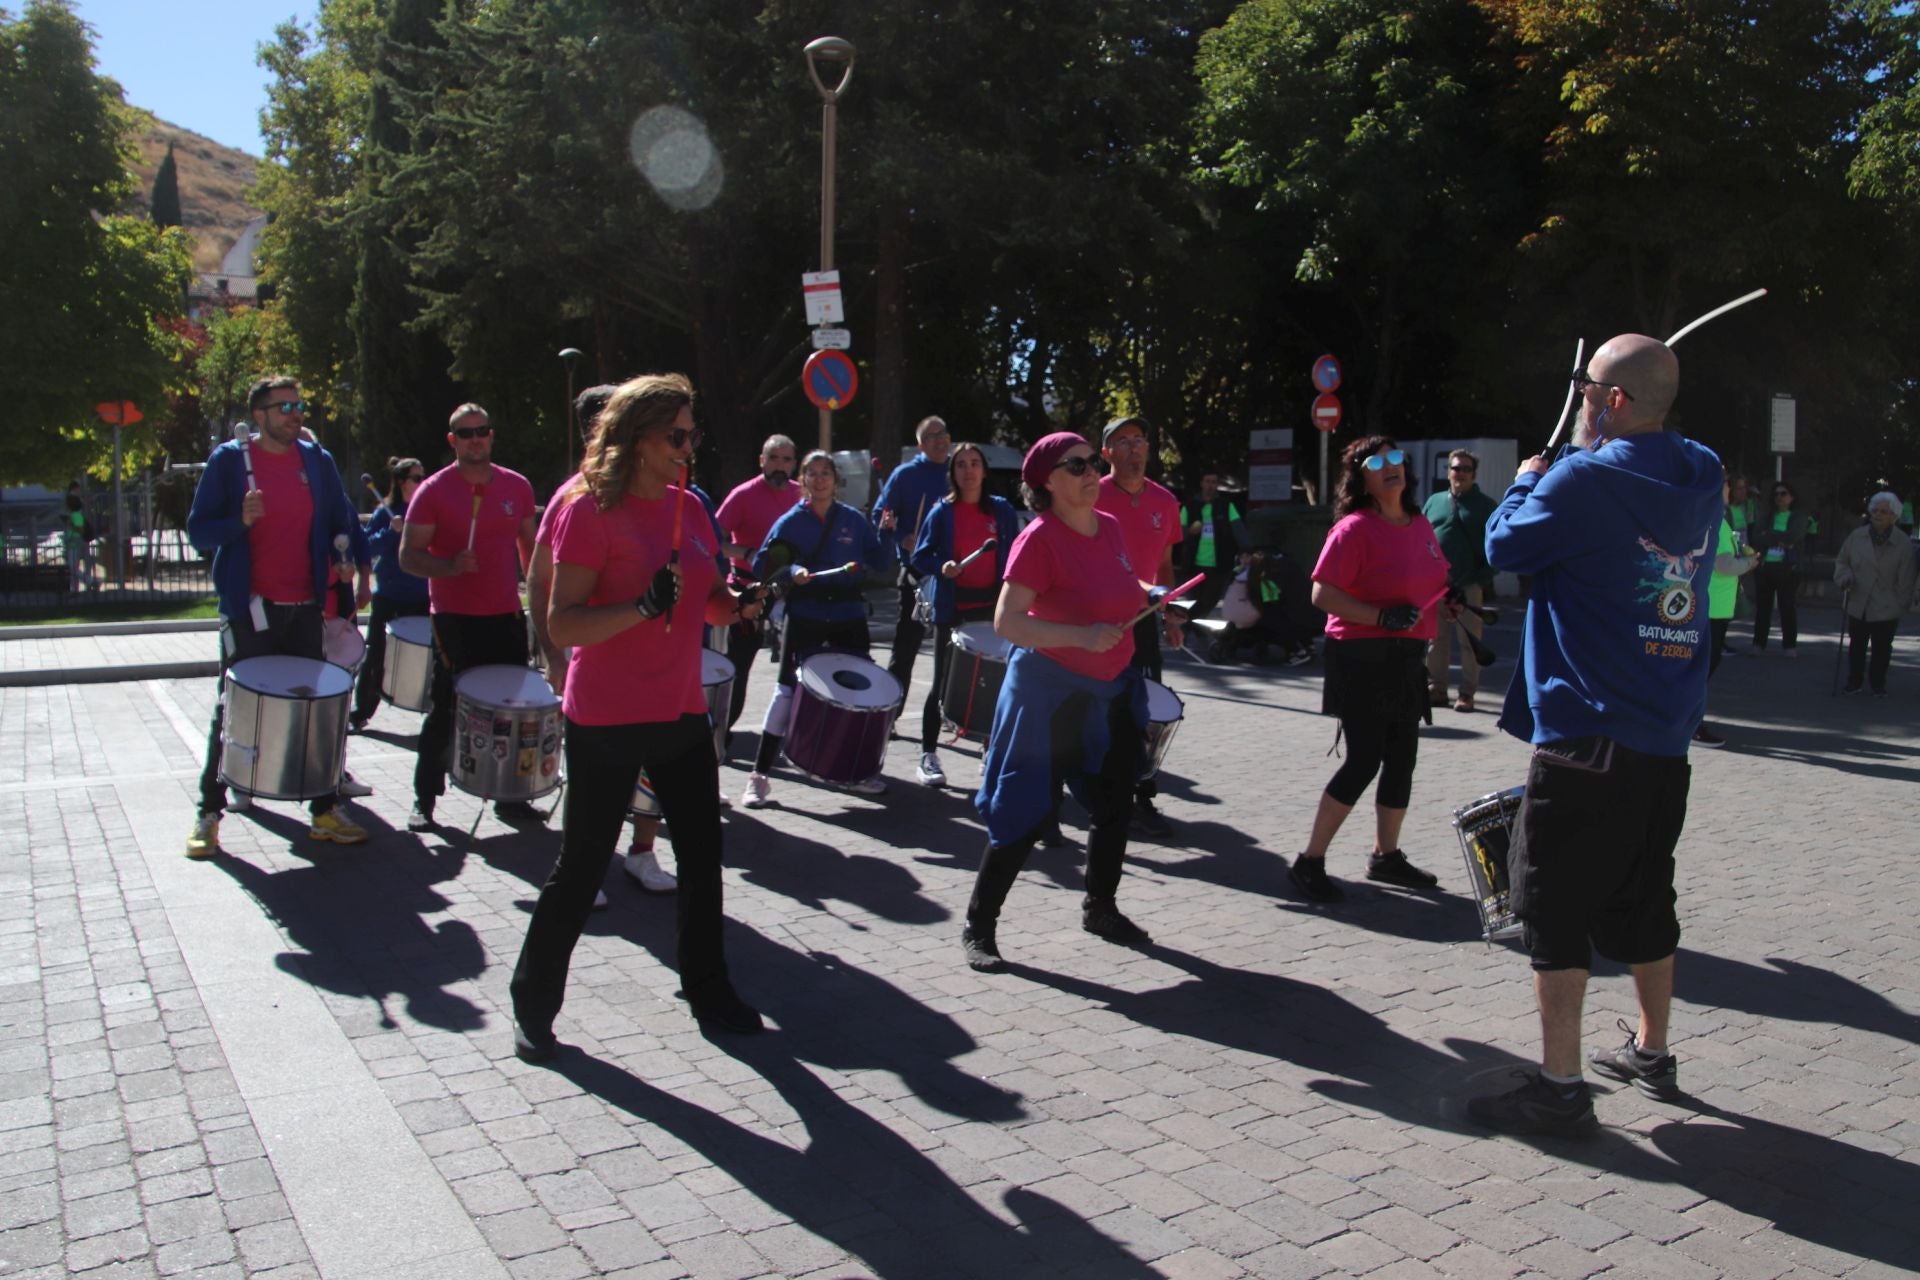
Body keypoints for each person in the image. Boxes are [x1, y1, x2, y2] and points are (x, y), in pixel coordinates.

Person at [1468, 334, 1723, 1137]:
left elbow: (1502, 547)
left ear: (1614, 401)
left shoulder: (1583, 477)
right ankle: (1652, 1050)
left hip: (1584, 736)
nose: (1578, 402)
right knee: (1646, 898)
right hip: (1665, 734)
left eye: (1587, 391)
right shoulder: (1704, 472)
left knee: (1552, 908)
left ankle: (1559, 1087)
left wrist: (1522, 484)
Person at [510, 374, 766, 1056]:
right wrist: (639, 608)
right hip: (607, 715)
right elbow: (563, 624)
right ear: (640, 437)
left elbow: (707, 598)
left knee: (704, 856)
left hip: (678, 707)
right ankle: (532, 1004)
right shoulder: (589, 509)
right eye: (678, 435)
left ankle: (709, 989)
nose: (691, 446)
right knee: (583, 864)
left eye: (693, 434)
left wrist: (738, 603)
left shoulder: (690, 507)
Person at [960, 432, 1160, 972]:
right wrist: (1081, 635)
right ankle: (980, 926)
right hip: (1049, 696)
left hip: (1109, 691)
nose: (1092, 471)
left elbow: (1119, 584)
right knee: (1026, 811)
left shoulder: (1111, 527)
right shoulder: (1039, 539)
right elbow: (1008, 623)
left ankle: (1101, 907)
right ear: (1045, 482)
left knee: (1116, 802)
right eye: (1076, 466)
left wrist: (1153, 600)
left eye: (1093, 461)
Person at [184, 377, 371, 857]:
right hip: (251, 611)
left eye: (299, 404)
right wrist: (239, 522)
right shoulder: (230, 461)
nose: (295, 413)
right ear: (259, 413)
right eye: (284, 406)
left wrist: (342, 556)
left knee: (318, 707)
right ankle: (209, 813)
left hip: (305, 608)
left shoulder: (317, 461)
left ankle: (325, 809)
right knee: (233, 707)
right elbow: (199, 532)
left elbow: (338, 522)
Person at [1288, 438, 1451, 904]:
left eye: (1396, 458)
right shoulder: (1353, 529)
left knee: (1402, 758)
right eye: (1375, 462)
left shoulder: (1419, 523)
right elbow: (1321, 594)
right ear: (1360, 478)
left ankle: (1386, 855)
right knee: (1363, 760)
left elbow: (1436, 576)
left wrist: (1451, 596)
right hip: (1360, 658)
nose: (1390, 467)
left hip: (1406, 658)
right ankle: (1309, 862)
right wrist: (1381, 617)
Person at [399, 403, 539, 831]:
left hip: (506, 615)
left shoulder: (517, 487)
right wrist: (448, 567)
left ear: (491, 435)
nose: (474, 438)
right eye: (465, 433)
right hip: (454, 617)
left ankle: (510, 797)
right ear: (452, 440)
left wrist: (541, 598)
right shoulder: (434, 491)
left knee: (513, 709)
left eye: (481, 430)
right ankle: (425, 799)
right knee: (445, 707)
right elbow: (408, 557)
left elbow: (531, 551)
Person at [740, 451, 896, 807]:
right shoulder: (790, 522)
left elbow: (881, 563)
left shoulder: (854, 521)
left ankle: (857, 772)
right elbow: (766, 563)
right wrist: (791, 568)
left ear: (836, 481)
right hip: (806, 612)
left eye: (826, 473)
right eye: (812, 473)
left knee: (861, 693)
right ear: (804, 481)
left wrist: (887, 534)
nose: (820, 479)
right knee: (786, 691)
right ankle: (759, 777)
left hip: (848, 613)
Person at [908, 442, 1021, 788]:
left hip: (994, 607)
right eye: (961, 465)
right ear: (953, 473)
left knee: (1000, 682)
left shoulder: (1001, 511)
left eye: (974, 464)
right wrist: (942, 565)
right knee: (942, 680)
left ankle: (991, 748)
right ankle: (929, 754)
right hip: (953, 608)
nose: (969, 470)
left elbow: (1017, 554)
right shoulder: (942, 512)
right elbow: (920, 557)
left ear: (984, 471)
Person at [1094, 416, 1183, 838]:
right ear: (1106, 453)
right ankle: (1092, 791)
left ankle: (1142, 796)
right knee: (1097, 707)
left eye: (1140, 440)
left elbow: (1164, 564)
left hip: (1144, 621)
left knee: (1146, 710)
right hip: (1096, 618)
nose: (1134, 448)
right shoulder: (1092, 495)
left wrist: (1171, 613)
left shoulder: (1165, 501)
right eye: (1123, 441)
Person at [713, 434, 801, 732]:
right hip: (748, 590)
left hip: (790, 591)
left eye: (787, 460)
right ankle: (722, 730)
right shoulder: (743, 495)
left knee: (797, 666)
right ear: (761, 461)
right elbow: (712, 541)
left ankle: (792, 733)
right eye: (774, 458)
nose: (780, 465)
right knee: (738, 667)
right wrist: (746, 553)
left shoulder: (801, 495)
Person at [871, 415, 954, 709]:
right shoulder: (905, 475)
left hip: (952, 572)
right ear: (921, 445)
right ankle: (890, 713)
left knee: (953, 650)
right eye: (932, 436)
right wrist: (901, 536)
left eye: (943, 433)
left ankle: (950, 710)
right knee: (905, 650)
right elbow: (881, 516)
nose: (940, 439)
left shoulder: (957, 471)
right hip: (916, 573)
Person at [350, 458, 431, 732]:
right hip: (390, 596)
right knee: (376, 656)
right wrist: (391, 532)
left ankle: (429, 708)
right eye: (416, 478)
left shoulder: (427, 511)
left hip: (421, 595)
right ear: (400, 481)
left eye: (423, 477)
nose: (421, 483)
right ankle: (362, 711)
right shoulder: (386, 512)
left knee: (430, 658)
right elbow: (366, 548)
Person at [1422, 448, 1497, 712]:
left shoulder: (1486, 506)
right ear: (1449, 472)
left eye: (1466, 469)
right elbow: (1422, 538)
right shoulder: (1435, 501)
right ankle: (1437, 689)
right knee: (1436, 639)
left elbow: (1496, 548)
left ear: (1474, 474)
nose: (1460, 473)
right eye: (1456, 468)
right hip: (1437, 587)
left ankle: (1467, 693)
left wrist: (1481, 578)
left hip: (1468, 585)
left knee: (1469, 642)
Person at [1695, 472, 1757, 747]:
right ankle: (1692, 724)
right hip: (1711, 606)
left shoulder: (1713, 519)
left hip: (1713, 606)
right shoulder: (1715, 521)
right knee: (1702, 668)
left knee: (1705, 666)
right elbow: (1723, 565)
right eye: (1726, 484)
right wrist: (1749, 564)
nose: (1730, 488)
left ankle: (1691, 722)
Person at [1834, 491, 1916, 696]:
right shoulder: (1857, 536)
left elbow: (1907, 576)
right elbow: (1842, 561)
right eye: (1875, 511)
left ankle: (1878, 682)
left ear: (1894, 516)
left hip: (1887, 603)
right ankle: (1854, 680)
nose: (1877, 515)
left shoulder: (1903, 543)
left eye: (1884, 512)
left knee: (1882, 647)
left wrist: (1901, 603)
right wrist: (1844, 577)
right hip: (1858, 598)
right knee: (1857, 644)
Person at [1748, 479, 1810, 655]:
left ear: (1792, 497)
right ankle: (1759, 643)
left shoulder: (1798, 516)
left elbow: (1794, 537)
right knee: (1763, 608)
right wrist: (1779, 539)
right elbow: (1757, 537)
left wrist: (1771, 536)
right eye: (1776, 494)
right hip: (1766, 567)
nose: (1779, 497)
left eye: (1784, 494)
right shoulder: (1766, 516)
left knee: (1787, 607)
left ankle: (1789, 645)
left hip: (1788, 567)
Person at [1179, 472, 1247, 619]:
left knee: (1210, 601)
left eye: (1214, 482)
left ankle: (1192, 626)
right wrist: (1190, 532)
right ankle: (1193, 628)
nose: (1210, 486)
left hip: (1219, 565)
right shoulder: (1189, 507)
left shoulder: (1226, 506)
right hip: (1194, 564)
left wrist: (1247, 551)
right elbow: (1177, 534)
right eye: (1207, 481)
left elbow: (1239, 530)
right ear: (1202, 484)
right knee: (1195, 601)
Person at [63, 482, 96, 594]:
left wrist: (70, 526)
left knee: (72, 567)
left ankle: (89, 581)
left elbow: (80, 530)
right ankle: (74, 588)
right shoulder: (73, 515)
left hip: (74, 543)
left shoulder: (76, 515)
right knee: (73, 568)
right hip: (72, 542)